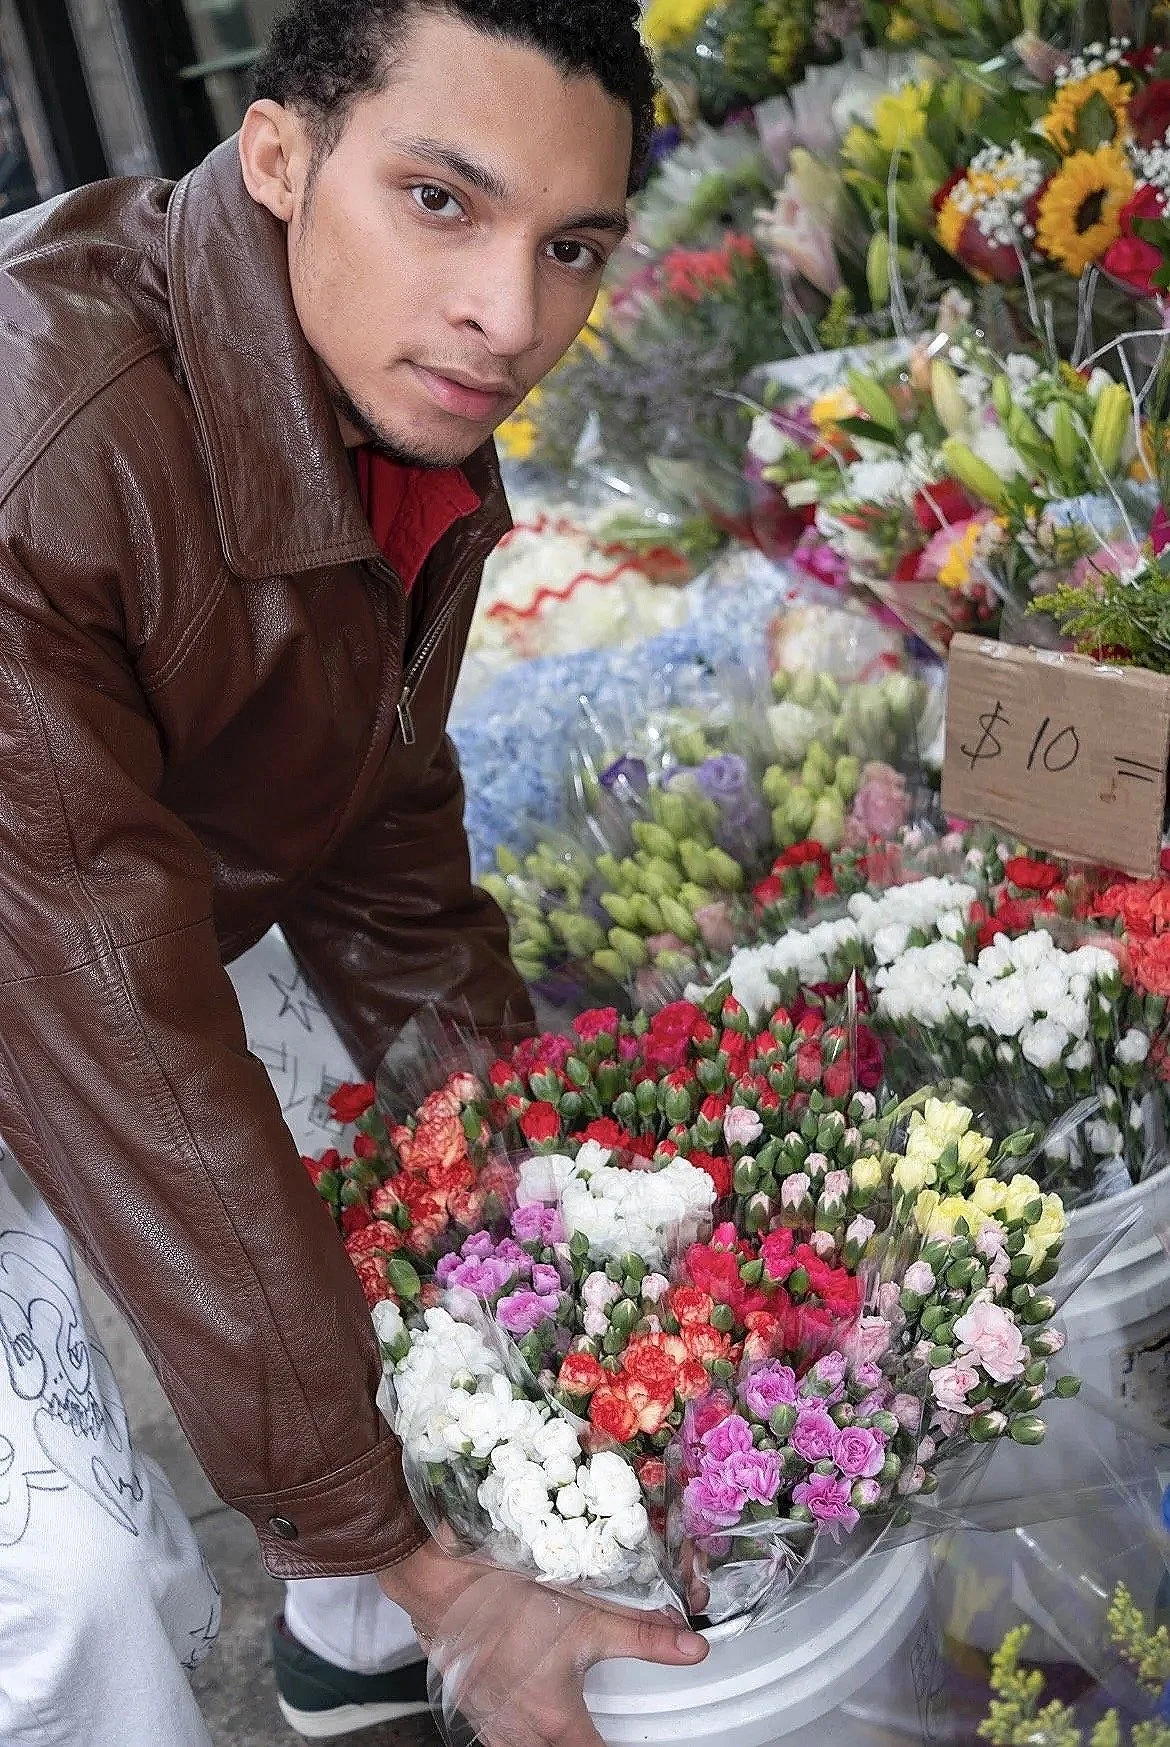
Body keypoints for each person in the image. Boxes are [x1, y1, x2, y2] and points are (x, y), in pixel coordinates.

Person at [0, 1, 709, 1743]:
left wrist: (547, 1231)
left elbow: (376, 837)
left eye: (573, 247)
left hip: (82, 893)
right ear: (276, 157)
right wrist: (420, 1553)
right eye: (441, 203)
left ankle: (349, 1643)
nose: (509, 318)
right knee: (73, 1588)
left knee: (400, 1213)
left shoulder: (386, 388)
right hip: (57, 934)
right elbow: (130, 1062)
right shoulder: (40, 459)